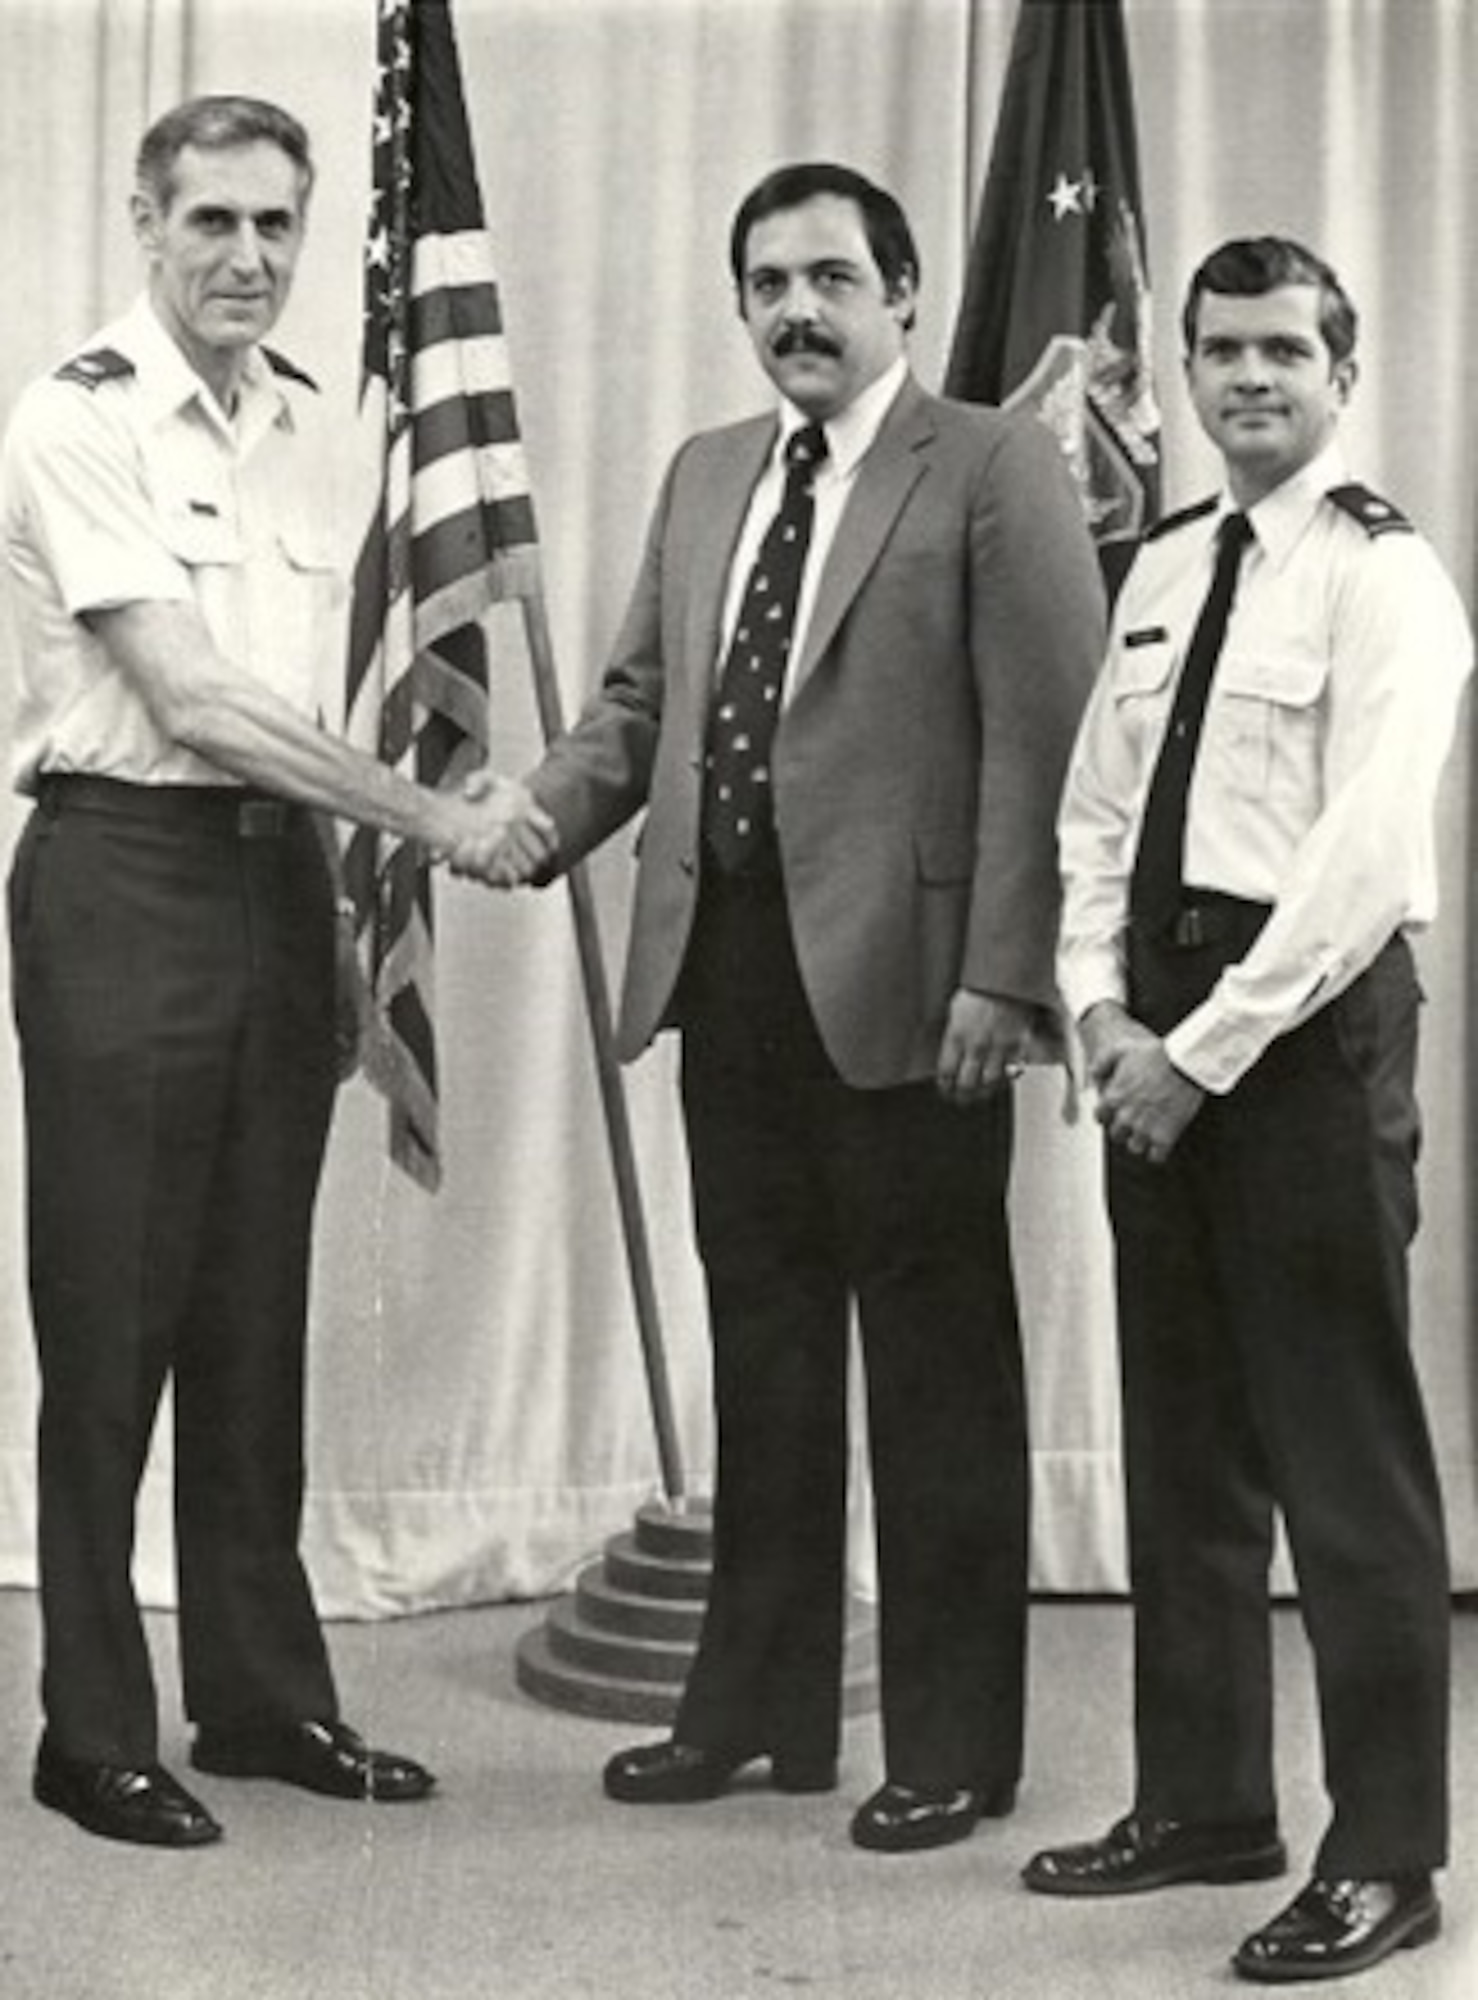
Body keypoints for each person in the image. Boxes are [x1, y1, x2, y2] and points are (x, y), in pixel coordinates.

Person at [483, 161, 1104, 1851]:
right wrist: (531, 819)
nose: (796, 311)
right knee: (761, 1357)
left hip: (914, 993)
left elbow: (1046, 745)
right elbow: (633, 708)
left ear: (900, 293)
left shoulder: (989, 466)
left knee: (934, 1373)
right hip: (725, 975)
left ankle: (956, 1748)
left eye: (830, 276)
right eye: (765, 283)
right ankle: (751, 1712)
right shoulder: (705, 478)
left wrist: (1002, 975)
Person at [0, 95, 543, 1848]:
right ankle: (90, 1729)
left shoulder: (313, 432)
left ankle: (261, 1699)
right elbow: (202, 700)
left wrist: (338, 897)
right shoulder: (75, 419)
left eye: (275, 227)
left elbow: (326, 693)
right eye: (212, 222)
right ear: (144, 224)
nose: (246, 257)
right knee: (109, 1322)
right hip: (122, 878)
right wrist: (443, 824)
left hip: (271, 889)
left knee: (249, 1319)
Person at [1033, 236, 1472, 1981]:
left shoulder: (1387, 582)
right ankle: (1205, 1802)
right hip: (1154, 1035)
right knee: (1185, 1449)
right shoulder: (1153, 571)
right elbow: (1092, 816)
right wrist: (1090, 1009)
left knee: (1340, 1461)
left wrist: (1191, 1049)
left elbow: (1362, 861)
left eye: (1283, 349)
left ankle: (1388, 1856)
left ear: (1340, 373)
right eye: (1218, 351)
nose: (1246, 379)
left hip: (1291, 1042)